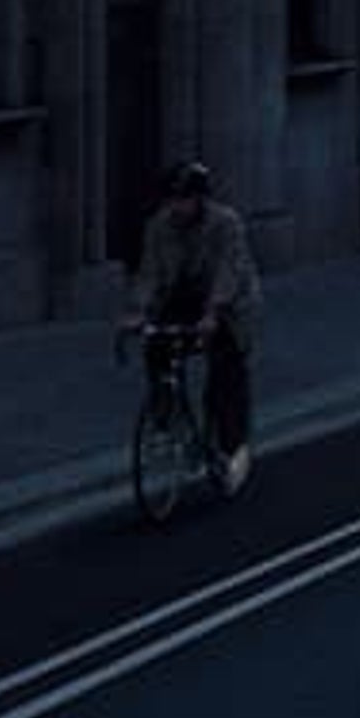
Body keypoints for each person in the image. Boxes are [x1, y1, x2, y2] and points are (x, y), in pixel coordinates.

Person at [127, 159, 261, 492]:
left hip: (231, 305)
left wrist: (213, 313)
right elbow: (149, 274)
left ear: (201, 199)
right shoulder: (158, 226)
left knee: (226, 374)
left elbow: (229, 272)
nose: (176, 207)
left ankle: (232, 446)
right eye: (172, 200)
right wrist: (137, 311)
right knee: (157, 347)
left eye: (183, 200)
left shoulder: (226, 224)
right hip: (183, 297)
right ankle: (166, 421)